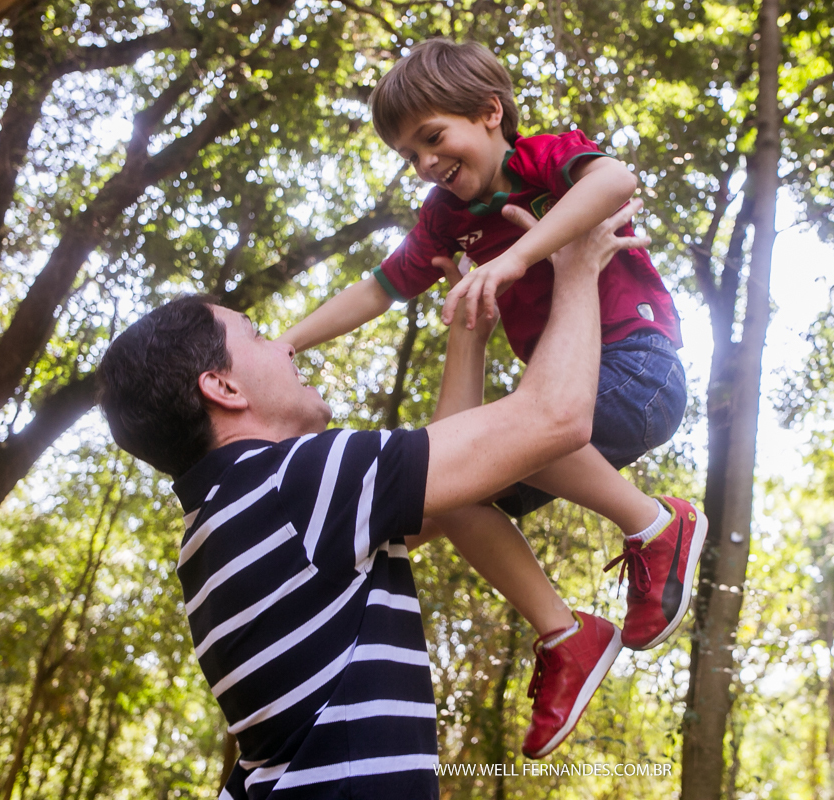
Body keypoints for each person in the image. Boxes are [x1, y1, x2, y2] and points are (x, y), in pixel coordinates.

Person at [96, 206, 643, 798]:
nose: (285, 348)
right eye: (257, 335)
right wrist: (577, 267)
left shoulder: (223, 523)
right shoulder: (287, 484)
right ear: (223, 388)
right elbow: (555, 417)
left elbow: (452, 496)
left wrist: (468, 332)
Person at [279, 39, 708, 751]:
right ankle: (565, 635)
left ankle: (656, 525)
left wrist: (516, 258)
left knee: (512, 432)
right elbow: (377, 289)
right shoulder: (445, 220)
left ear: (488, 114)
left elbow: (615, 183)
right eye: (408, 154)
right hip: (568, 404)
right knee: (449, 494)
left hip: (637, 368)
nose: (423, 163)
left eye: (432, 137)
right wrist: (287, 344)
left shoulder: (542, 158)